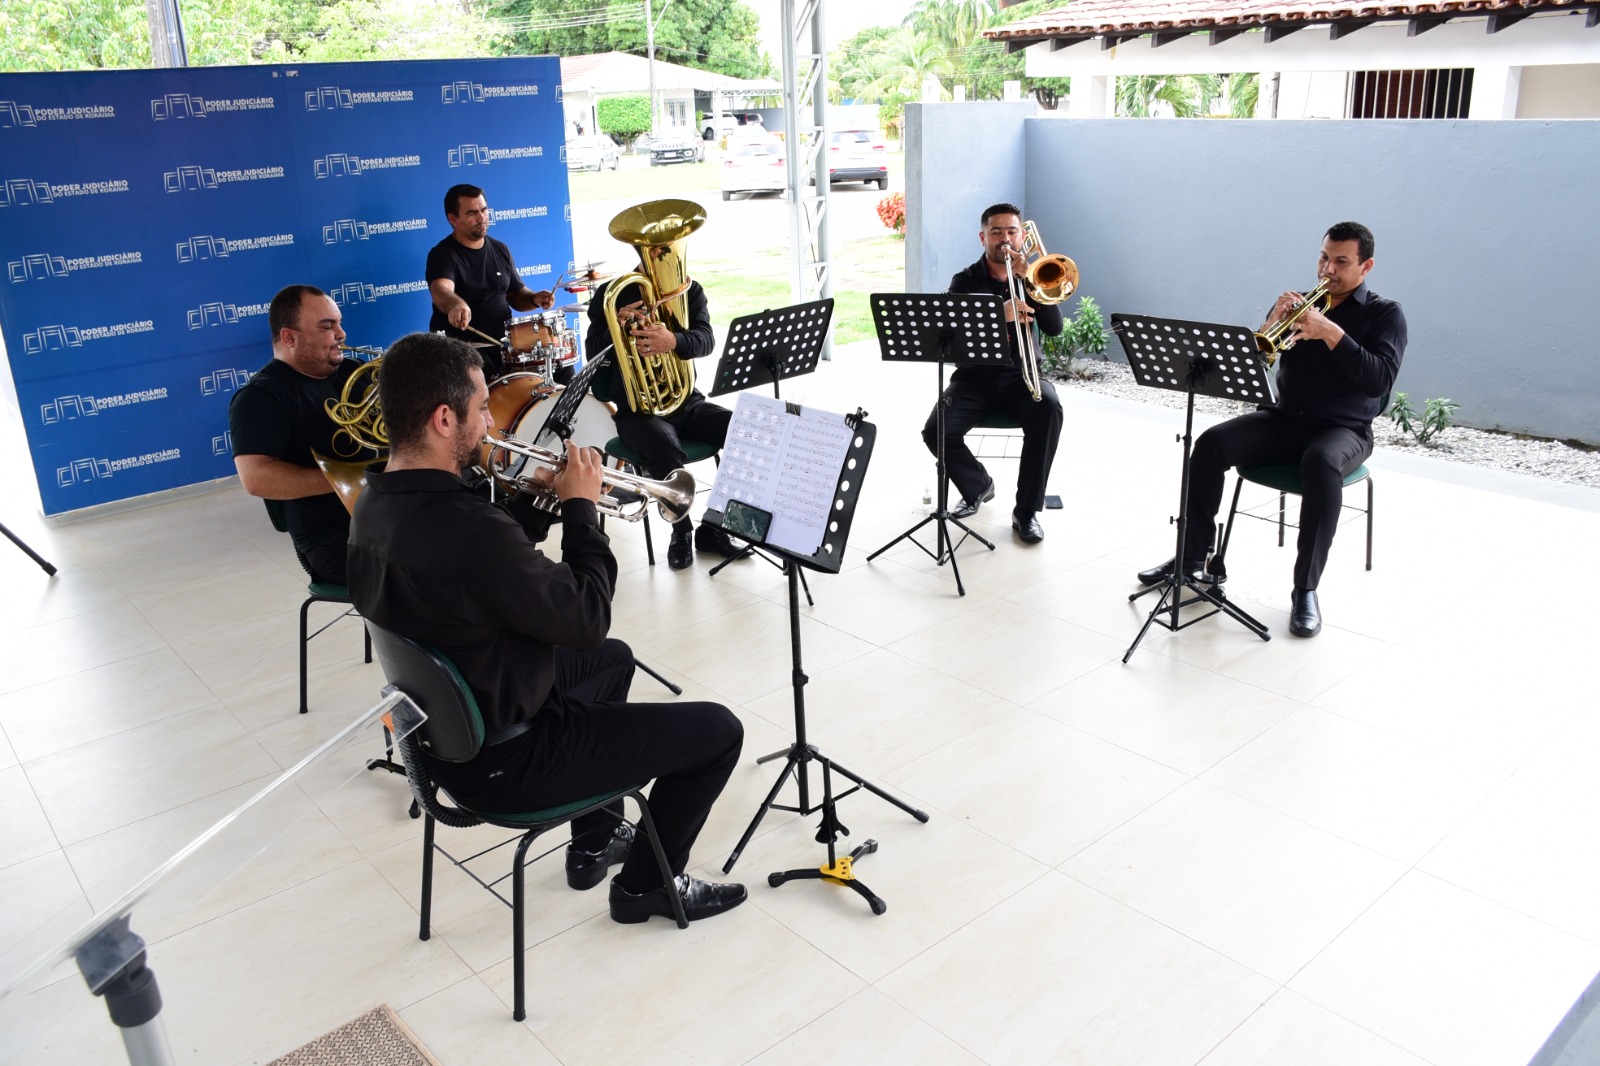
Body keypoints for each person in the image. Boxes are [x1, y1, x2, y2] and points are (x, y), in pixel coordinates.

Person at [346, 332, 747, 923]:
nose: (491, 423)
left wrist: (535, 507)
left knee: (612, 661)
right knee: (717, 731)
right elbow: (585, 616)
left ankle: (593, 840)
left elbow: (482, 579)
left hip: (452, 733)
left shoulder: (372, 506)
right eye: (481, 408)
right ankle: (646, 887)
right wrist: (583, 511)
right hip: (511, 760)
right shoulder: (470, 528)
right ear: (442, 418)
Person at [1135, 221, 1407, 638]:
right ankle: (1190, 560)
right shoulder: (1300, 303)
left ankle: (1305, 590)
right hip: (1285, 419)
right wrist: (1268, 328)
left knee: (1319, 462)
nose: (1327, 270)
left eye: (1341, 262)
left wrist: (1331, 332)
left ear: (1365, 266)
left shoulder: (1385, 314)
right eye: (1323, 257)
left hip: (1345, 429)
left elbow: (1379, 380)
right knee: (1210, 444)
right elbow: (1258, 362)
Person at [583, 231, 741, 570]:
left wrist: (673, 340)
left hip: (685, 399)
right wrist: (616, 327)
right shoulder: (611, 295)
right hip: (637, 409)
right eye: (656, 253)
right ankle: (681, 529)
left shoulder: (689, 289)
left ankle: (715, 527)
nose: (663, 259)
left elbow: (705, 340)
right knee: (664, 446)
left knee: (740, 430)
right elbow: (592, 353)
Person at [922, 203, 1066, 545]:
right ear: (982, 236)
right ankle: (978, 485)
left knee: (1049, 409)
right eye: (997, 232)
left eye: (1012, 231)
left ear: (1022, 236)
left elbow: (1055, 327)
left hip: (1021, 376)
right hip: (974, 378)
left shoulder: (1031, 275)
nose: (1005, 239)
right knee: (935, 431)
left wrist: (1028, 280)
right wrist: (996, 315)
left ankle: (1026, 511)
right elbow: (956, 339)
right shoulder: (965, 280)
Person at [229, 284, 371, 585]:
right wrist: (355, 481)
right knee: (439, 567)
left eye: (339, 324)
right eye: (327, 327)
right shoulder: (261, 397)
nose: (341, 334)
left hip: (388, 515)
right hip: (334, 538)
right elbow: (256, 478)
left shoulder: (355, 372)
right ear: (289, 337)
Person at [426, 183, 554, 379]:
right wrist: (456, 304)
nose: (481, 218)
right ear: (452, 218)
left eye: (484, 210)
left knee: (556, 365)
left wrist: (534, 298)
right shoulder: (442, 254)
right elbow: (441, 290)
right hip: (466, 350)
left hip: (505, 345)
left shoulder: (500, 249)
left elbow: (516, 294)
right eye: (472, 213)